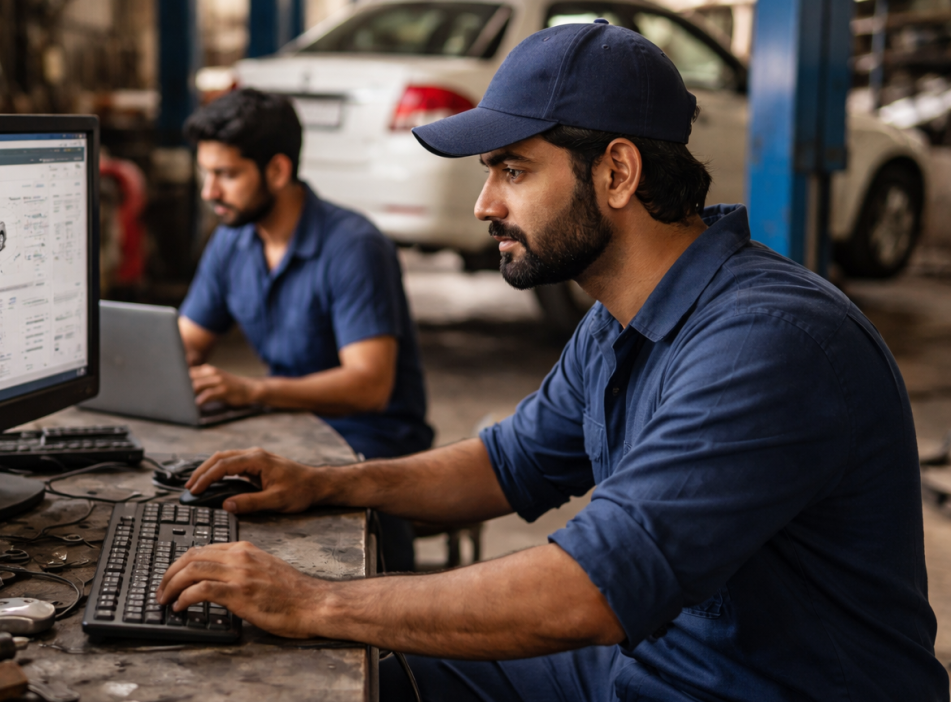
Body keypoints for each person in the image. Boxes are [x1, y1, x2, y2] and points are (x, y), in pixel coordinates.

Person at [154, 21, 949, 702]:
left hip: (751, 686)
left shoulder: (770, 344)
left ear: (616, 172)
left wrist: (314, 601)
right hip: (644, 667)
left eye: (513, 169)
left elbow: (585, 592)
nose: (485, 205)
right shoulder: (617, 318)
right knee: (361, 679)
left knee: (334, 638)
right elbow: (505, 465)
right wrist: (328, 483)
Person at [178, 88, 434, 571]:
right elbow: (183, 346)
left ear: (276, 171)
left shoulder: (353, 246)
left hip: (373, 443)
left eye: (226, 175)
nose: (210, 192)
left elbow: (370, 385)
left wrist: (249, 389)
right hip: (292, 427)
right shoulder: (232, 241)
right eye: (205, 174)